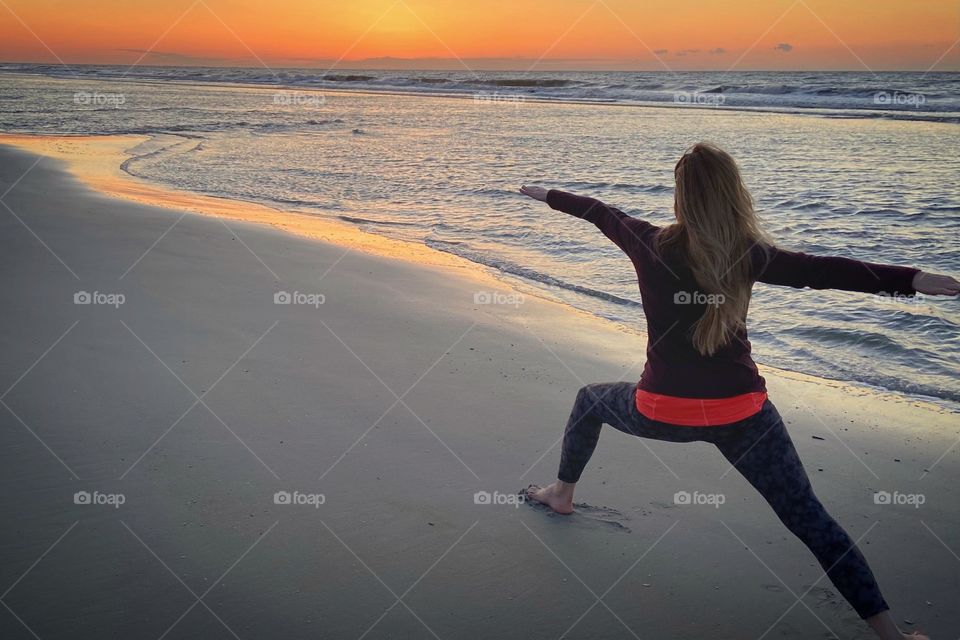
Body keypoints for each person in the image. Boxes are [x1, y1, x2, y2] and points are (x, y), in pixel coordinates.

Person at [518, 142, 958, 640]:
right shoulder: (749, 255)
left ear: (680, 197)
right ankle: (890, 636)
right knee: (810, 519)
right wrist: (912, 278)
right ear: (734, 194)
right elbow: (825, 271)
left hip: (661, 411)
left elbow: (599, 211)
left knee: (589, 400)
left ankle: (561, 495)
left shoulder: (648, 242)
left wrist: (546, 193)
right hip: (743, 418)